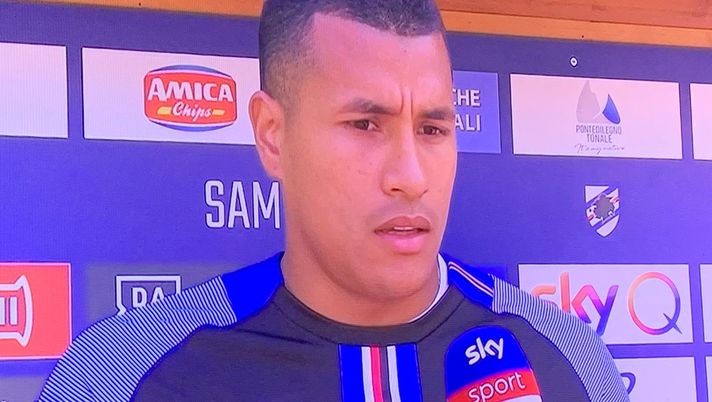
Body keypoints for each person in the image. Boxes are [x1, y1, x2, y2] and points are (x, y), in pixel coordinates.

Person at [39, 0, 629, 401]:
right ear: (272, 135)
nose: (410, 178)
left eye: (432, 129)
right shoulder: (124, 372)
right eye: (365, 125)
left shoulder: (565, 355)